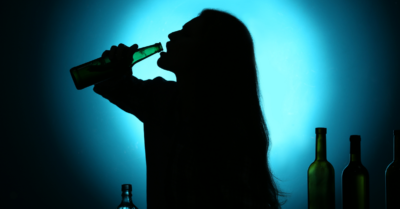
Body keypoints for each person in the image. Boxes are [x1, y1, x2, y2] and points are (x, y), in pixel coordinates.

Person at [94, 8, 289, 209]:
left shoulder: (230, 134)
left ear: (212, 53)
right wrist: (117, 66)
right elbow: (113, 85)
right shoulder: (162, 98)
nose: (172, 35)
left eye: (186, 34)